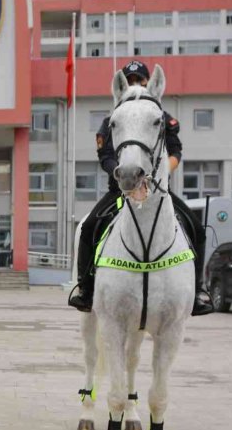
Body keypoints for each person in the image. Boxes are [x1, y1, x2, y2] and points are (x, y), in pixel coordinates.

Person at [68, 60, 213, 317]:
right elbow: (105, 155)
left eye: (139, 80)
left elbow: (176, 150)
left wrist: (161, 173)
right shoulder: (112, 120)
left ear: (148, 83)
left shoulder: (161, 118)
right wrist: (119, 171)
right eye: (130, 80)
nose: (135, 85)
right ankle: (86, 289)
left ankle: (198, 291)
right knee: (89, 226)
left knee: (197, 229)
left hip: (157, 188)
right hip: (119, 189)